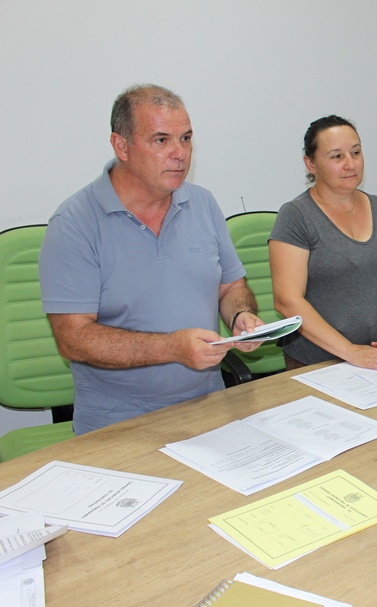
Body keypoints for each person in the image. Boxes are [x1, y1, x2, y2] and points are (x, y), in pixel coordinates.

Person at [39, 84, 263, 435]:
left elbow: (230, 287)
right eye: (161, 140)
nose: (180, 154)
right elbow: (73, 337)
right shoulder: (74, 223)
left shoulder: (202, 203)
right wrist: (171, 347)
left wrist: (241, 315)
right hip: (118, 420)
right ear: (121, 146)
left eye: (186, 138)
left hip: (207, 404)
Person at [269, 115, 377, 371]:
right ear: (310, 164)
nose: (350, 164)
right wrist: (350, 351)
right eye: (337, 156)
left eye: (355, 153)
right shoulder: (296, 215)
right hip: (318, 362)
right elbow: (287, 300)